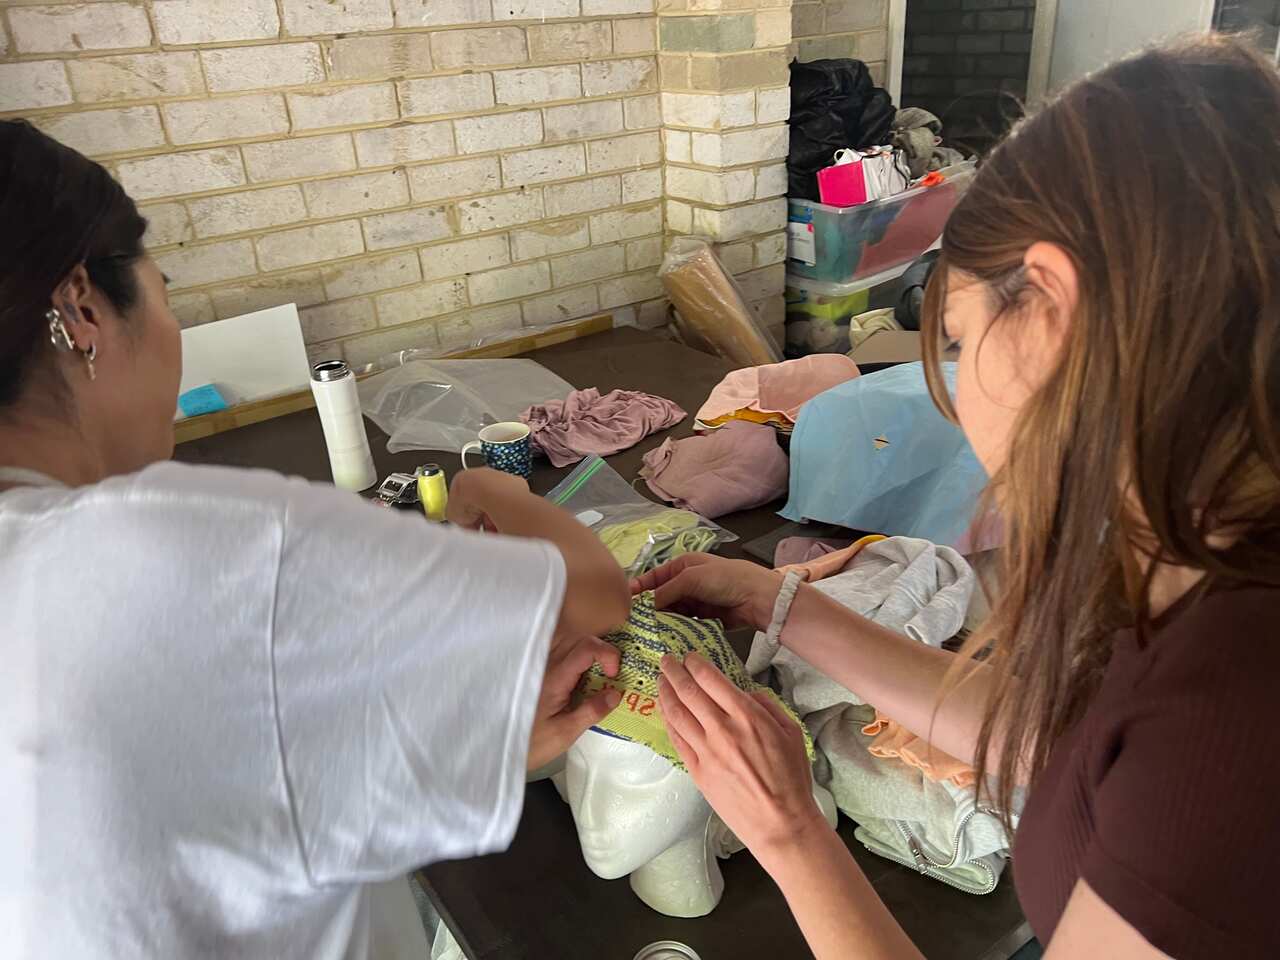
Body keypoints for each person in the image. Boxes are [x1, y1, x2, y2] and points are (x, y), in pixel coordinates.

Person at [636, 35, 1280, 960]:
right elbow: (1051, 738)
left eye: (964, 339)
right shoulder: (1195, 562)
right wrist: (773, 601)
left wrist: (791, 834)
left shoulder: (1230, 740)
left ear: (1049, 308)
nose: (954, 382)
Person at [0, 118, 631, 958]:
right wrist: (491, 487)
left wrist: (430, 762)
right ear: (83, 309)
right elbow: (592, 596)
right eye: (166, 287)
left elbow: (162, 826)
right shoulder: (184, 552)